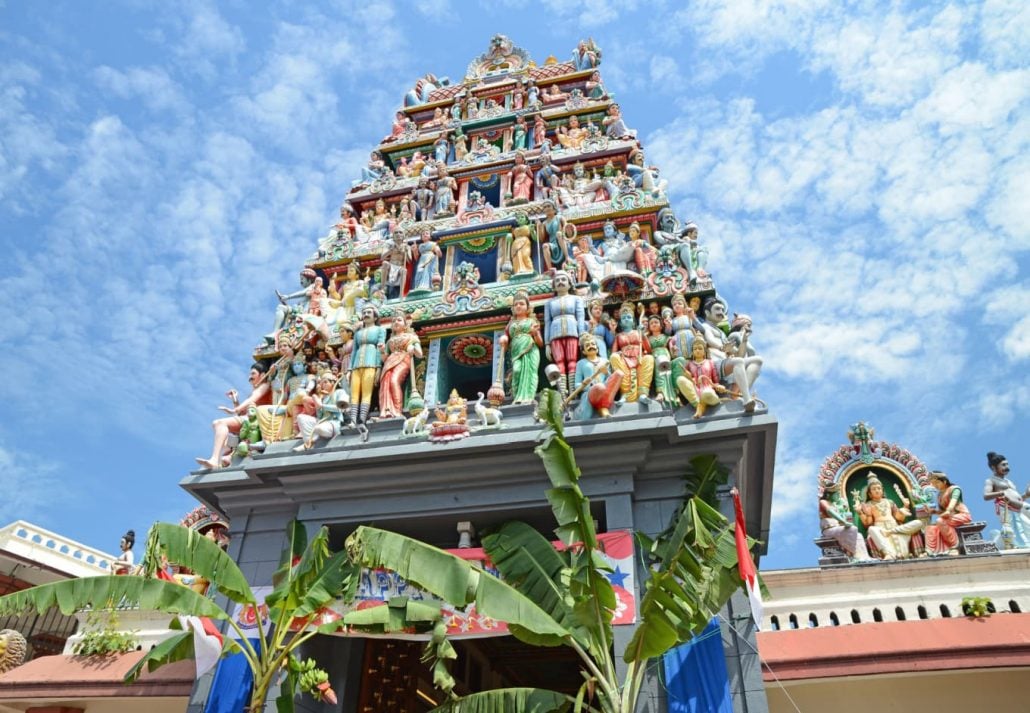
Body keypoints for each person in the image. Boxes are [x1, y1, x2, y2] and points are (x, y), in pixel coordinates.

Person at [196, 361, 272, 469]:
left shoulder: (265, 385)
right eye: (250, 374)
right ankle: (217, 459)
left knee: (219, 423)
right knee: (218, 424)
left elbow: (253, 398)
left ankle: (217, 459)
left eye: (253, 373)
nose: (250, 377)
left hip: (258, 421)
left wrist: (234, 409)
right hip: (247, 420)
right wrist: (235, 400)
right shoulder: (255, 389)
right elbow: (243, 413)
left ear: (263, 375)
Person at [856, 475, 926, 560]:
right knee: (871, 529)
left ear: (882, 490)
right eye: (874, 489)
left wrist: (905, 506)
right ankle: (888, 553)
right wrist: (863, 513)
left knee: (918, 523)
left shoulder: (890, 502)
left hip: (895, 527)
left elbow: (899, 518)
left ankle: (891, 532)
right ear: (869, 493)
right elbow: (868, 523)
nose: (877, 490)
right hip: (880, 529)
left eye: (879, 488)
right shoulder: (868, 505)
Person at [543, 270, 586, 397]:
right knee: (559, 363)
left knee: (572, 361)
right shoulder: (549, 303)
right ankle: (562, 393)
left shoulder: (576, 299)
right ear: (554, 285)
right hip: (554, 334)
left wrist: (582, 334)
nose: (560, 282)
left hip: (572, 331)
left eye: (563, 280)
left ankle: (573, 391)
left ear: (569, 283)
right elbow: (547, 322)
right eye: (557, 280)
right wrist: (547, 343)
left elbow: (581, 317)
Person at [348, 305, 386, 438]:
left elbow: (380, 347)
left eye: (369, 312)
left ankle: (361, 420)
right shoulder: (358, 333)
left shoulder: (380, 330)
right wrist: (349, 369)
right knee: (354, 394)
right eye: (364, 312)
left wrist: (378, 367)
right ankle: (353, 420)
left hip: (371, 363)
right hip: (357, 365)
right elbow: (353, 351)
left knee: (366, 393)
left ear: (375, 316)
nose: (366, 314)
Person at [499, 290, 542, 404]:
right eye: (516, 304)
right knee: (517, 371)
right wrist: (504, 339)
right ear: (513, 308)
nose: (518, 306)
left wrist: (535, 333)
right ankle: (517, 397)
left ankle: (529, 397)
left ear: (528, 307)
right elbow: (506, 337)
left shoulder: (532, 321)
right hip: (516, 351)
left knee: (531, 372)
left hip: (530, 349)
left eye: (522, 304)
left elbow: (540, 343)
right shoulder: (511, 324)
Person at [378, 314, 422, 419]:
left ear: (405, 325)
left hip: (403, 359)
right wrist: (382, 351)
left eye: (399, 320)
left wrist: (412, 348)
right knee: (386, 383)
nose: (396, 322)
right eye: (393, 321)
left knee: (394, 380)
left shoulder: (411, 337)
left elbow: (419, 354)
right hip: (389, 362)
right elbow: (384, 359)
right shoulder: (389, 341)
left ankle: (397, 411)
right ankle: (387, 410)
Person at [983, 451, 1030, 548]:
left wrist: (1026, 495)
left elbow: (1018, 498)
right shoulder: (991, 480)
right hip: (1007, 508)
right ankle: (1018, 546)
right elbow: (986, 495)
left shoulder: (1008, 481)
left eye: (1007, 464)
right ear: (993, 467)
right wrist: (1001, 493)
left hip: (1018, 508)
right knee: (1014, 530)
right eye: (1003, 465)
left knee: (1027, 527)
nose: (1006, 467)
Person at [608, 303, 654, 403]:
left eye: (629, 317)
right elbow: (613, 352)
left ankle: (643, 394)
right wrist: (619, 353)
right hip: (624, 360)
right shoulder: (618, 336)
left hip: (639, 358)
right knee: (614, 357)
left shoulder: (638, 332)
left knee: (649, 358)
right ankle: (625, 394)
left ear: (633, 320)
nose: (626, 319)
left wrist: (643, 335)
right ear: (620, 322)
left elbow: (649, 350)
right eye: (624, 318)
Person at [572, 333, 622, 419]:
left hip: (605, 390)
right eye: (587, 345)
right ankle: (602, 409)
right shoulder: (581, 363)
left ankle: (603, 407)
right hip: (591, 391)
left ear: (597, 349)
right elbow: (577, 384)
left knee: (619, 374)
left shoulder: (604, 361)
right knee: (599, 387)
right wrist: (584, 384)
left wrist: (607, 373)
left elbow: (609, 379)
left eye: (593, 344)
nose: (591, 346)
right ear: (583, 351)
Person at [672, 337, 724, 419]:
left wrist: (719, 386)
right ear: (692, 351)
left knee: (707, 394)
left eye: (700, 348)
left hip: (708, 389)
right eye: (695, 349)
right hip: (695, 390)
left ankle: (701, 406)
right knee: (680, 379)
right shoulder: (689, 364)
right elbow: (689, 379)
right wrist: (688, 376)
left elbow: (715, 380)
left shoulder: (710, 362)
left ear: (704, 351)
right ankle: (698, 405)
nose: (697, 350)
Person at [819, 483, 871, 561]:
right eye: (836, 494)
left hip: (839, 528)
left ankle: (865, 558)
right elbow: (831, 512)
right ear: (829, 495)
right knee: (852, 529)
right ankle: (853, 556)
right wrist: (843, 521)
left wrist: (845, 510)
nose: (838, 496)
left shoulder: (838, 504)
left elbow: (848, 518)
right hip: (829, 529)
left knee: (859, 535)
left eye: (839, 494)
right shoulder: (823, 502)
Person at [924, 471, 972, 556]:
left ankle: (954, 547)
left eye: (937, 483)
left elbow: (953, 502)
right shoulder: (939, 496)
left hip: (961, 515)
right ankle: (931, 551)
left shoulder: (954, 489)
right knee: (930, 527)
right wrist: (934, 512)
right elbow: (943, 511)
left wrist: (948, 511)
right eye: (933, 484)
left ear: (944, 481)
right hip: (949, 517)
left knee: (940, 521)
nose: (935, 486)